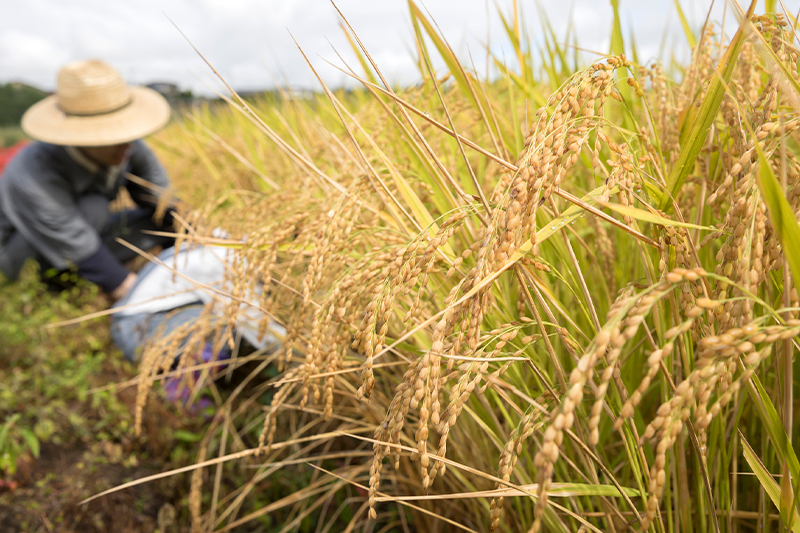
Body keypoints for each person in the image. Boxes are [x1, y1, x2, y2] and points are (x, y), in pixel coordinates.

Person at [0, 59, 175, 300]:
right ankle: (57, 287)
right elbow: (71, 235)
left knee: (156, 224)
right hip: (25, 249)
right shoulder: (34, 171)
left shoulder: (127, 145)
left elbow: (162, 199)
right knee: (95, 208)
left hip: (86, 231)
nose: (127, 142)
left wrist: (192, 249)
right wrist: (141, 294)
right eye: (112, 135)